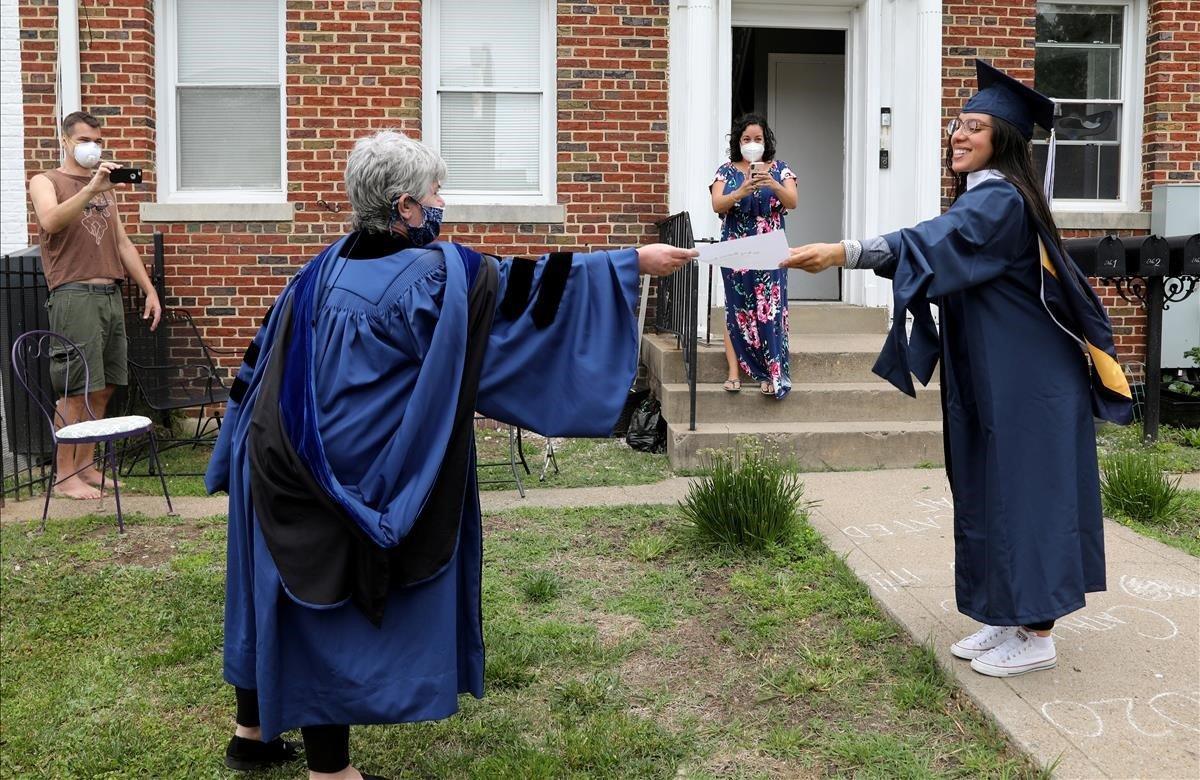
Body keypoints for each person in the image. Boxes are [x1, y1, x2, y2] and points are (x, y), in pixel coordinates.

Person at [205, 130, 696, 779]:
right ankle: (331, 773)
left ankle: (253, 734)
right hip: (342, 474)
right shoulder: (433, 276)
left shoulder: (315, 269)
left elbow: (258, 359)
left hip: (266, 452)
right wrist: (630, 264)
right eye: (437, 192)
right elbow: (528, 290)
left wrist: (231, 452)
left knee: (270, 591)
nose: (444, 203)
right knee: (328, 608)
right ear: (406, 205)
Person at [782, 61, 1132, 678]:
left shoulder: (999, 199)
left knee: (1024, 495)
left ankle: (1038, 632)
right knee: (987, 488)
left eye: (974, 126)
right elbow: (945, 249)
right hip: (993, 374)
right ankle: (1008, 615)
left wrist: (847, 252)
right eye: (956, 124)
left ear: (1004, 139)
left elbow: (935, 242)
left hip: (1028, 382)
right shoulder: (989, 195)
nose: (958, 136)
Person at [28, 110, 163, 500]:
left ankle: (86, 467)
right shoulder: (46, 180)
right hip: (74, 295)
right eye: (85, 140)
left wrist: (148, 289)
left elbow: (121, 243)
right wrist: (91, 188)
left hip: (109, 294)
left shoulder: (105, 188)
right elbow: (51, 221)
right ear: (66, 140)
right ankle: (64, 474)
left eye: (97, 140)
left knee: (103, 388)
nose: (92, 147)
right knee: (74, 387)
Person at [710, 113, 798, 398]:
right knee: (736, 308)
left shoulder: (780, 169)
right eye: (746, 139)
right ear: (738, 141)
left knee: (769, 308)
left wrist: (771, 183)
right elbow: (717, 204)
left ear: (766, 141)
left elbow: (792, 201)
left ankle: (768, 371)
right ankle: (734, 372)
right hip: (736, 244)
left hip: (771, 246)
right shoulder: (727, 171)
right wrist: (741, 190)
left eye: (757, 139)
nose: (752, 144)